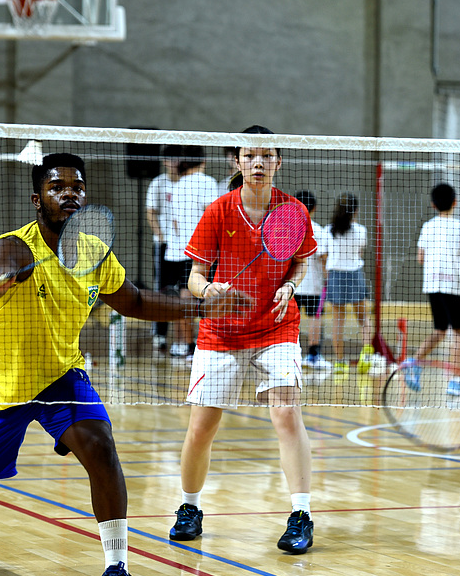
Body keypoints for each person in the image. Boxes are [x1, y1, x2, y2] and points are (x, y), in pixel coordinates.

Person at [0, 153, 247, 576]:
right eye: (57, 188)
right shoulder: (13, 246)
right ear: (38, 200)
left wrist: (200, 310)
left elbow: (135, 301)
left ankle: (117, 565)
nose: (69, 194)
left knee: (100, 446)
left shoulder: (93, 252)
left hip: (61, 377)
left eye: (77, 187)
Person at [171, 125, 319, 554]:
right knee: (201, 427)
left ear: (277, 162)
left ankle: (301, 514)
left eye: (266, 155)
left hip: (276, 327)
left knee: (286, 414)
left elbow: (300, 265)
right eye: (249, 155)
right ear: (235, 162)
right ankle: (189, 508)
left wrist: (290, 287)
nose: (258, 162)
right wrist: (210, 291)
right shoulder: (218, 211)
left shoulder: (293, 212)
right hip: (222, 331)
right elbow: (196, 277)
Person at [400, 183, 460, 396]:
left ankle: (413, 362)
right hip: (454, 286)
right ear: (455, 203)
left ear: (433, 204)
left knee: (440, 330)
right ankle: (455, 380)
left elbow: (420, 258)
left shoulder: (428, 226)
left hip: (433, 285)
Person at [166, 145, 220, 360]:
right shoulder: (207, 182)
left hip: (179, 251)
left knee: (183, 298)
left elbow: (176, 222)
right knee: (210, 296)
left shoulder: (176, 185)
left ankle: (187, 345)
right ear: (203, 161)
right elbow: (213, 217)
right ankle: (208, 344)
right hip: (202, 252)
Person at [324, 192, 374, 374]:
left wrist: (326, 276)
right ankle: (367, 354)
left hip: (335, 276)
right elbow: (360, 252)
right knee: (363, 318)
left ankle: (339, 362)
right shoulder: (361, 230)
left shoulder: (328, 230)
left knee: (338, 321)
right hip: (354, 274)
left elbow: (324, 256)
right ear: (356, 211)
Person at [145, 145, 183, 353]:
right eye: (169, 158)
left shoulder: (188, 182)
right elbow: (150, 212)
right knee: (163, 290)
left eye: (177, 158)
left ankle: (185, 340)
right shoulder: (158, 183)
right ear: (164, 161)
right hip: (164, 246)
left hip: (185, 247)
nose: (173, 162)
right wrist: (162, 237)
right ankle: (160, 335)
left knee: (185, 291)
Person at [294, 190, 333, 370]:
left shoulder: (286, 228)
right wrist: (327, 278)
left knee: (289, 320)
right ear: (314, 208)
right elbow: (323, 257)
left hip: (292, 285)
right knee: (315, 319)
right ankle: (313, 355)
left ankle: (289, 355)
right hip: (314, 286)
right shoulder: (318, 230)